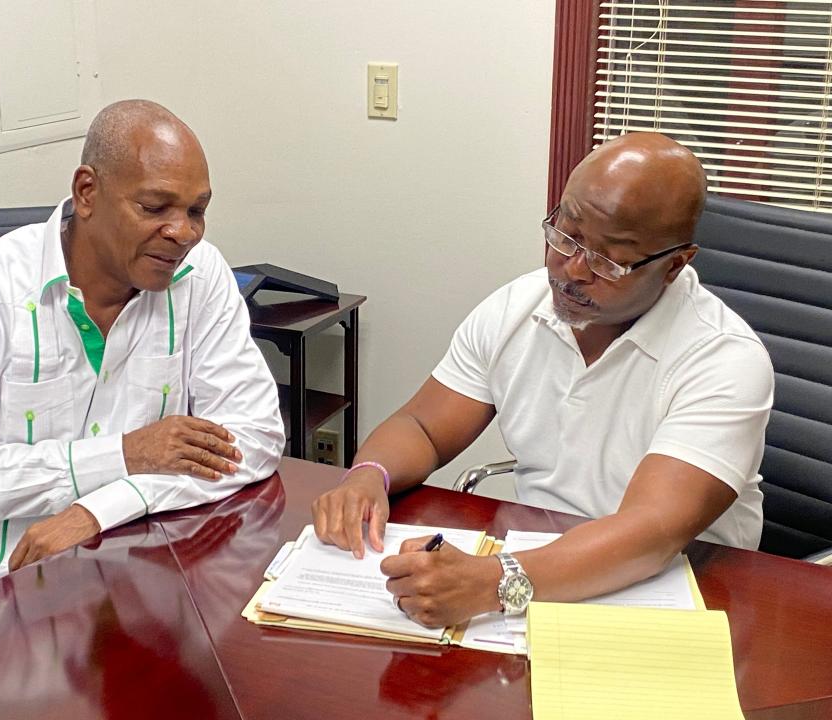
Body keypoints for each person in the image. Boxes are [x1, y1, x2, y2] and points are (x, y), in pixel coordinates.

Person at [312, 132, 773, 629]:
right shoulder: (517, 308)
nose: (572, 270)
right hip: (536, 566)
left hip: (682, 593)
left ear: (674, 265)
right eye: (565, 235)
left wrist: (491, 583)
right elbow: (423, 425)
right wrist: (368, 475)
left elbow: (652, 533)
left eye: (608, 259)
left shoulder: (725, 359)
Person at [0, 99, 285, 635]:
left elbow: (252, 439)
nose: (182, 233)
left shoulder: (200, 277)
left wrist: (100, 508)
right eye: (156, 207)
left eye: (196, 211)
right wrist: (121, 456)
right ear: (87, 192)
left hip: (121, 567)